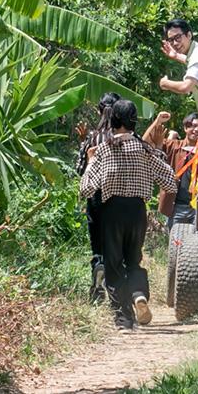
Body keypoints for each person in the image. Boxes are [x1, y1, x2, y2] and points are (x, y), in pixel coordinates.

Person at [80, 98, 177, 330]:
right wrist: (157, 153)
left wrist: (91, 161)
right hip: (137, 212)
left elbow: (86, 189)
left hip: (111, 211)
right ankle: (139, 293)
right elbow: (170, 182)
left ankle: (124, 319)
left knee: (113, 265)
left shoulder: (104, 150)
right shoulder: (144, 150)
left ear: (112, 119)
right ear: (134, 121)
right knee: (133, 260)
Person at [75, 91, 119, 303]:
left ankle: (97, 284)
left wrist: (83, 142)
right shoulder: (125, 138)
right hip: (118, 198)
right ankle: (116, 290)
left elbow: (80, 169)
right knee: (116, 244)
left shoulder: (92, 137)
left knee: (97, 244)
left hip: (95, 197)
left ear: (99, 110)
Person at [143, 110, 198, 228]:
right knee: (172, 238)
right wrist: (158, 121)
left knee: (197, 239)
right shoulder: (174, 146)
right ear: (185, 128)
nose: (196, 130)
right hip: (173, 207)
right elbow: (145, 143)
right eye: (193, 126)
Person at [158, 19, 198, 133]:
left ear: (189, 35)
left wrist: (165, 83)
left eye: (178, 37)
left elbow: (186, 87)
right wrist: (176, 56)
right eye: (171, 40)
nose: (175, 43)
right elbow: (192, 62)